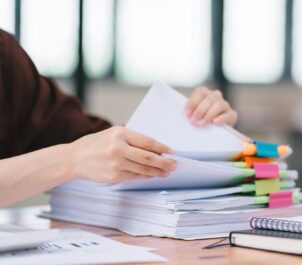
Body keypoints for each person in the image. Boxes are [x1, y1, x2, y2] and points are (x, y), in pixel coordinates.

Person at [0, 29, 238, 207]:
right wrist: (70, 160)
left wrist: (195, 127)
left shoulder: (5, 57)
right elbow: (79, 153)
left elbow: (95, 146)